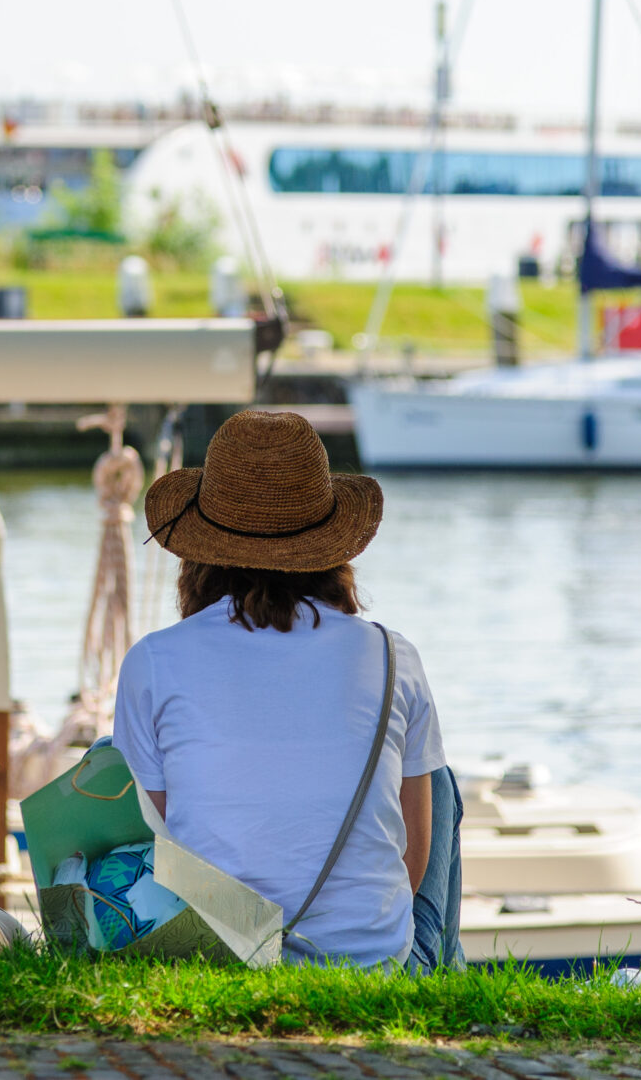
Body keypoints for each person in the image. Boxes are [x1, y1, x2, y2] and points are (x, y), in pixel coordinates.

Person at [112, 409, 462, 969]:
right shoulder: (394, 657)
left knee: (112, 764)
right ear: (332, 551)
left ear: (200, 551)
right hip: (372, 964)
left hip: (219, 957)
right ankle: (444, 983)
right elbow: (411, 865)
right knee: (437, 783)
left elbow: (151, 850)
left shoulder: (153, 662)